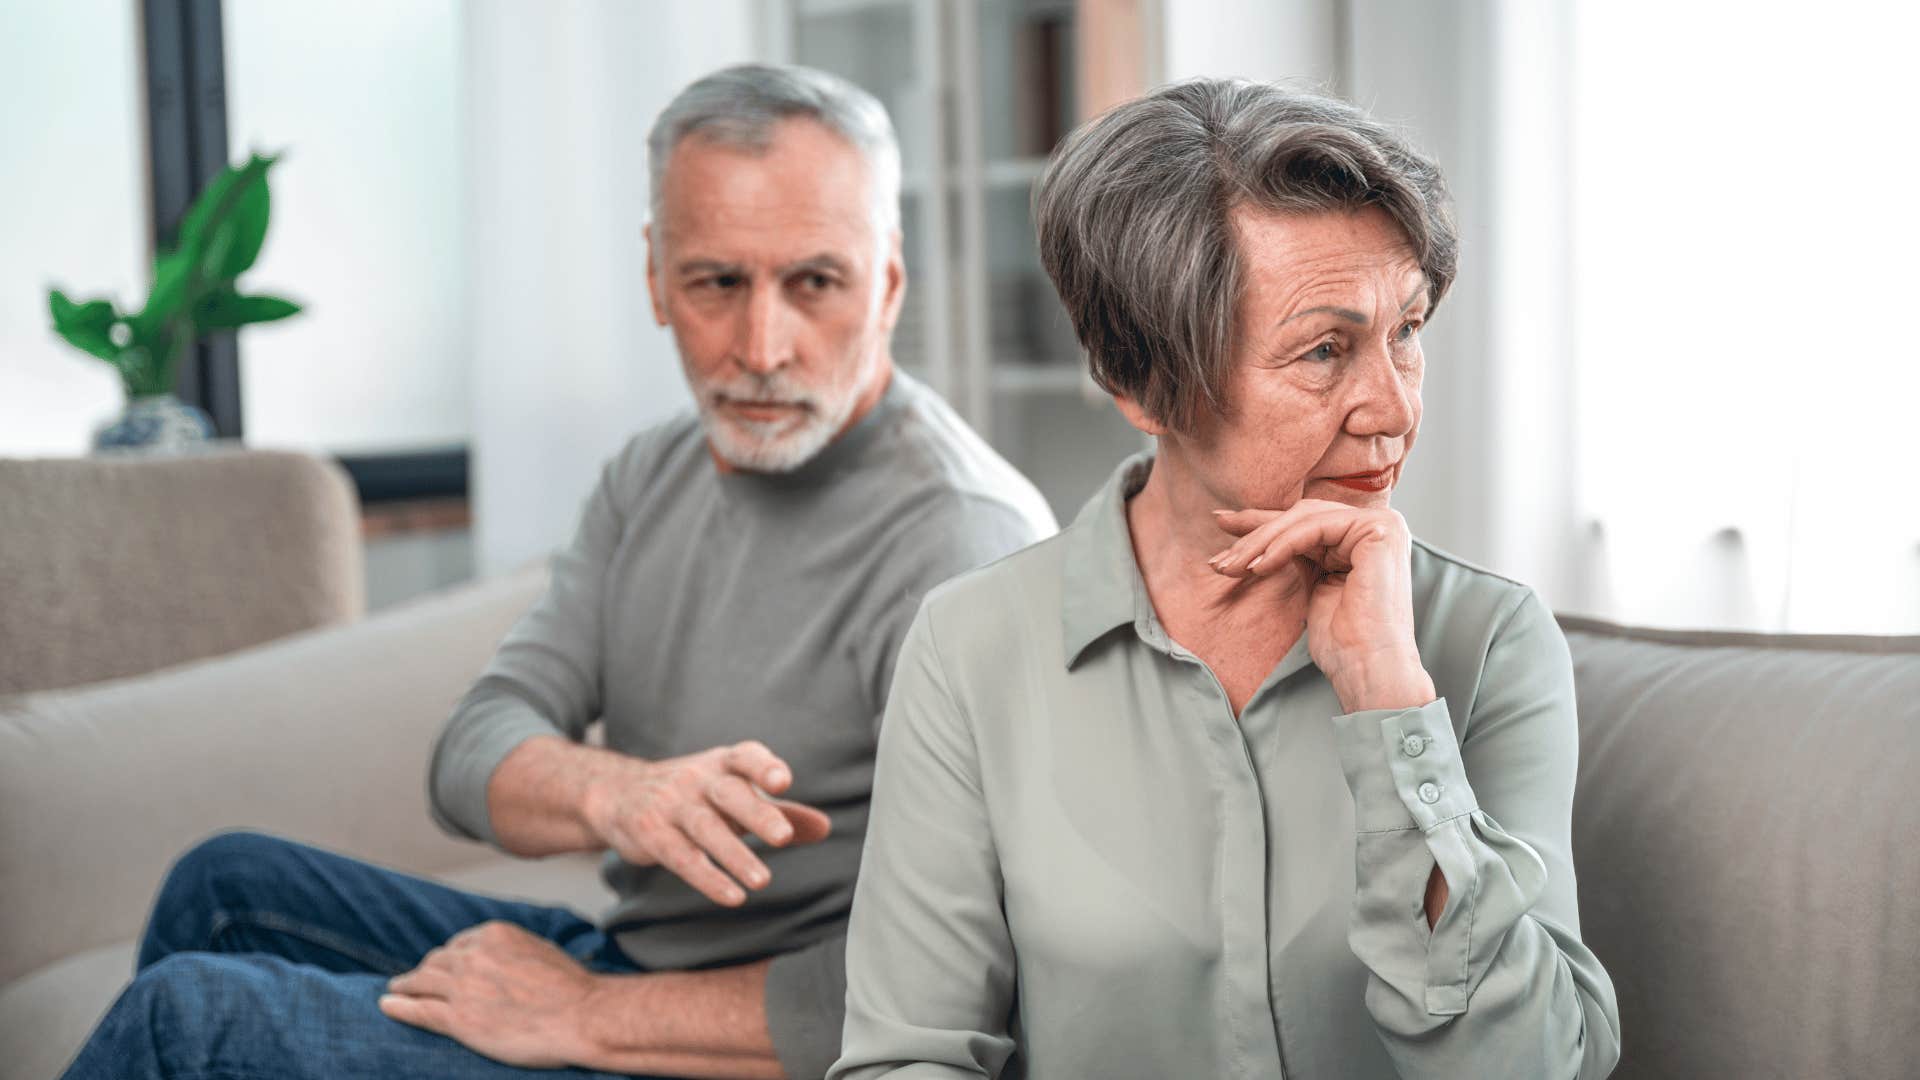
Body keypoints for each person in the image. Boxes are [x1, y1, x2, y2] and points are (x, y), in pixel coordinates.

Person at [61, 63, 1054, 1080]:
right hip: (635, 975)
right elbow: (473, 750)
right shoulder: (651, 474)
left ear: (887, 281)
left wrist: (590, 1018)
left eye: (815, 282)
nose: (763, 346)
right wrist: (613, 793)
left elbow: (973, 980)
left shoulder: (963, 539)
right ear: (657, 279)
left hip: (769, 1049)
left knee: (189, 1022)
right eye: (719, 281)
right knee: (222, 889)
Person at [830, 79, 1621, 1079]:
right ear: (1140, 381)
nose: (1391, 408)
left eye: (1407, 331)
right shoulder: (972, 649)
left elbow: (1537, 1067)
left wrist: (1391, 708)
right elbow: (911, 1057)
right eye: (1326, 351)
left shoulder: (1490, 641)